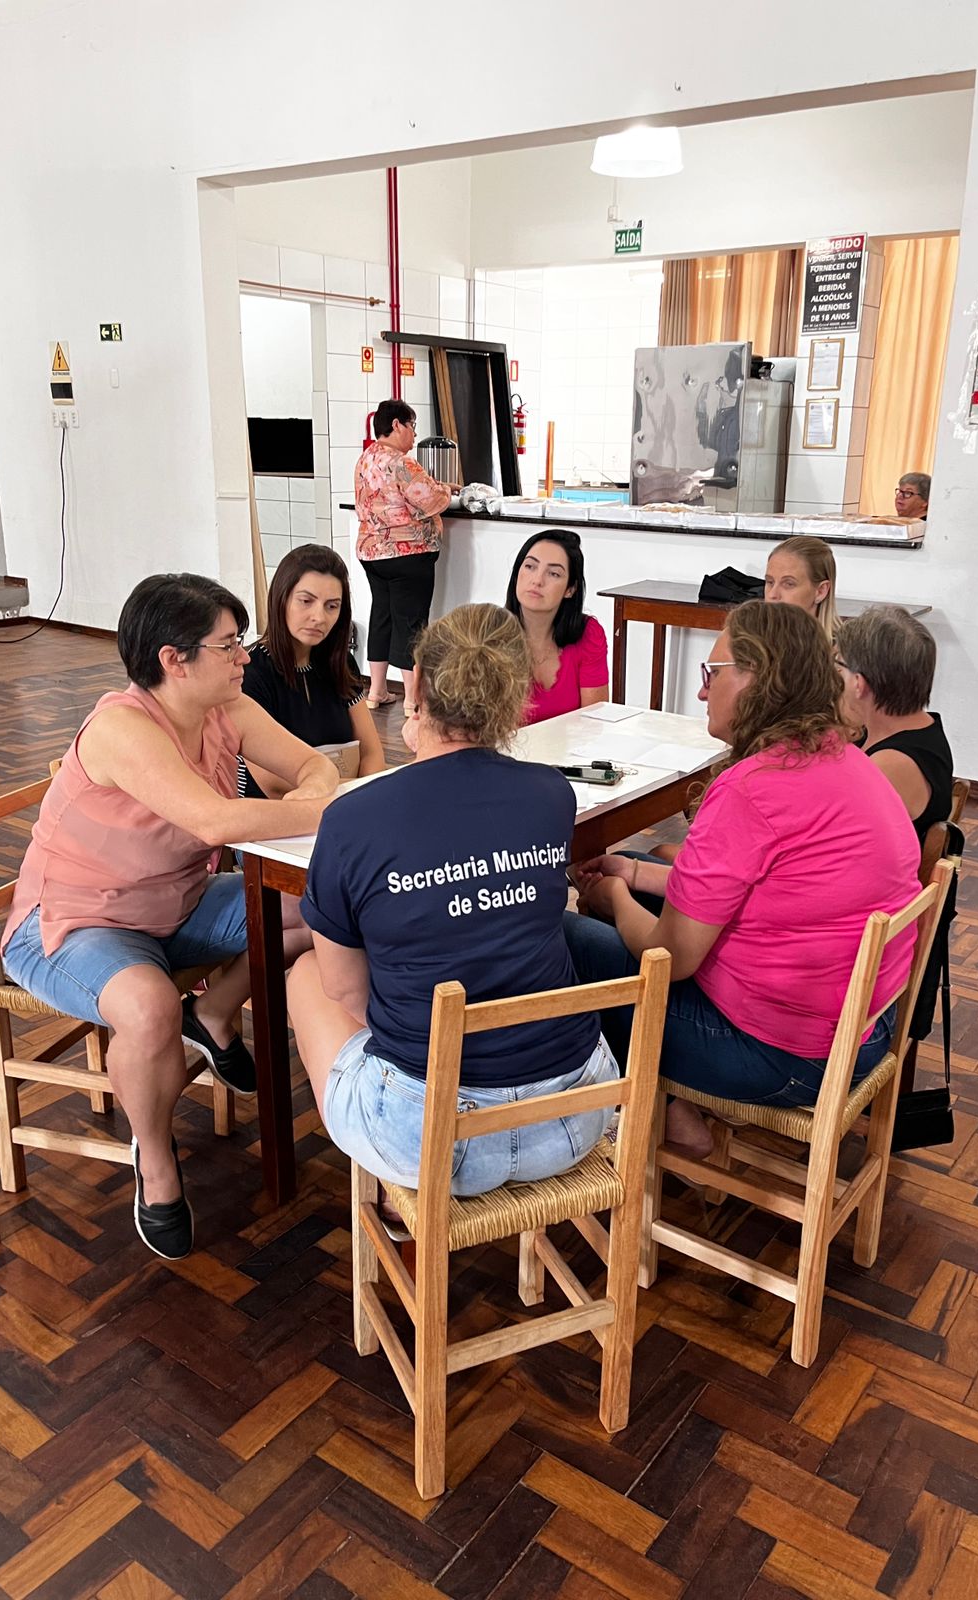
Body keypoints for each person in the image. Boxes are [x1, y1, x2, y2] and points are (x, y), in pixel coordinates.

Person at [1, 573, 339, 1260]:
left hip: (177, 900)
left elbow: (315, 764)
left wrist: (314, 794)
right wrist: (318, 809)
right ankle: (155, 1164)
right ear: (172, 659)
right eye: (228, 645)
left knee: (325, 914)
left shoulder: (226, 707)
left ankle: (211, 1014)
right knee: (150, 1006)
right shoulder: (121, 728)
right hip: (72, 920)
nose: (244, 656)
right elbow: (216, 820)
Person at [565, 600, 921, 1159]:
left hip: (784, 1057)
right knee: (636, 867)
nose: (701, 691)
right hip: (863, 1033)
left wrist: (613, 895)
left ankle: (633, 1116)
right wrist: (632, 872)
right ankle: (666, 1108)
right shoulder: (847, 758)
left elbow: (671, 958)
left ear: (758, 678)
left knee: (562, 937)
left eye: (712, 674)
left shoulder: (753, 787)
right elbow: (751, 889)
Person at [288, 602, 618, 1199]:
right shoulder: (551, 794)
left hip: (431, 1140)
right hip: (574, 1117)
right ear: (518, 694)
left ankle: (393, 1188)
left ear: (416, 685)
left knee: (310, 972)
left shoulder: (353, 818)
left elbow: (345, 991)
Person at [238, 544, 384, 795]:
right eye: (306, 601)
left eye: (332, 606)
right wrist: (355, 791)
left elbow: (372, 753)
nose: (319, 617)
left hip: (342, 802)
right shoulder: (249, 673)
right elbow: (272, 784)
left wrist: (362, 796)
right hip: (272, 811)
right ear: (281, 599)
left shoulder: (340, 663)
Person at [354, 398, 452, 716]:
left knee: (382, 615)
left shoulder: (366, 459)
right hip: (408, 552)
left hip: (372, 552)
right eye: (412, 426)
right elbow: (431, 500)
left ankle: (377, 691)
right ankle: (412, 699)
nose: (414, 434)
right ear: (396, 425)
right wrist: (447, 490)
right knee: (411, 622)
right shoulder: (402, 463)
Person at [835, 605, 953, 846]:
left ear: (858, 683)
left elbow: (833, 837)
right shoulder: (913, 725)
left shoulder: (890, 765)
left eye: (838, 667)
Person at [504, 529, 610, 725]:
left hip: (571, 744)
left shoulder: (588, 634)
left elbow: (594, 724)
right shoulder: (488, 634)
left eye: (553, 573)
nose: (537, 580)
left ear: (570, 589)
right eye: (530, 566)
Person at [764, 535, 840, 640]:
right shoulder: (750, 641)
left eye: (789, 584)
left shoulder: (845, 648)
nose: (772, 595)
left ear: (821, 591)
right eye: (770, 582)